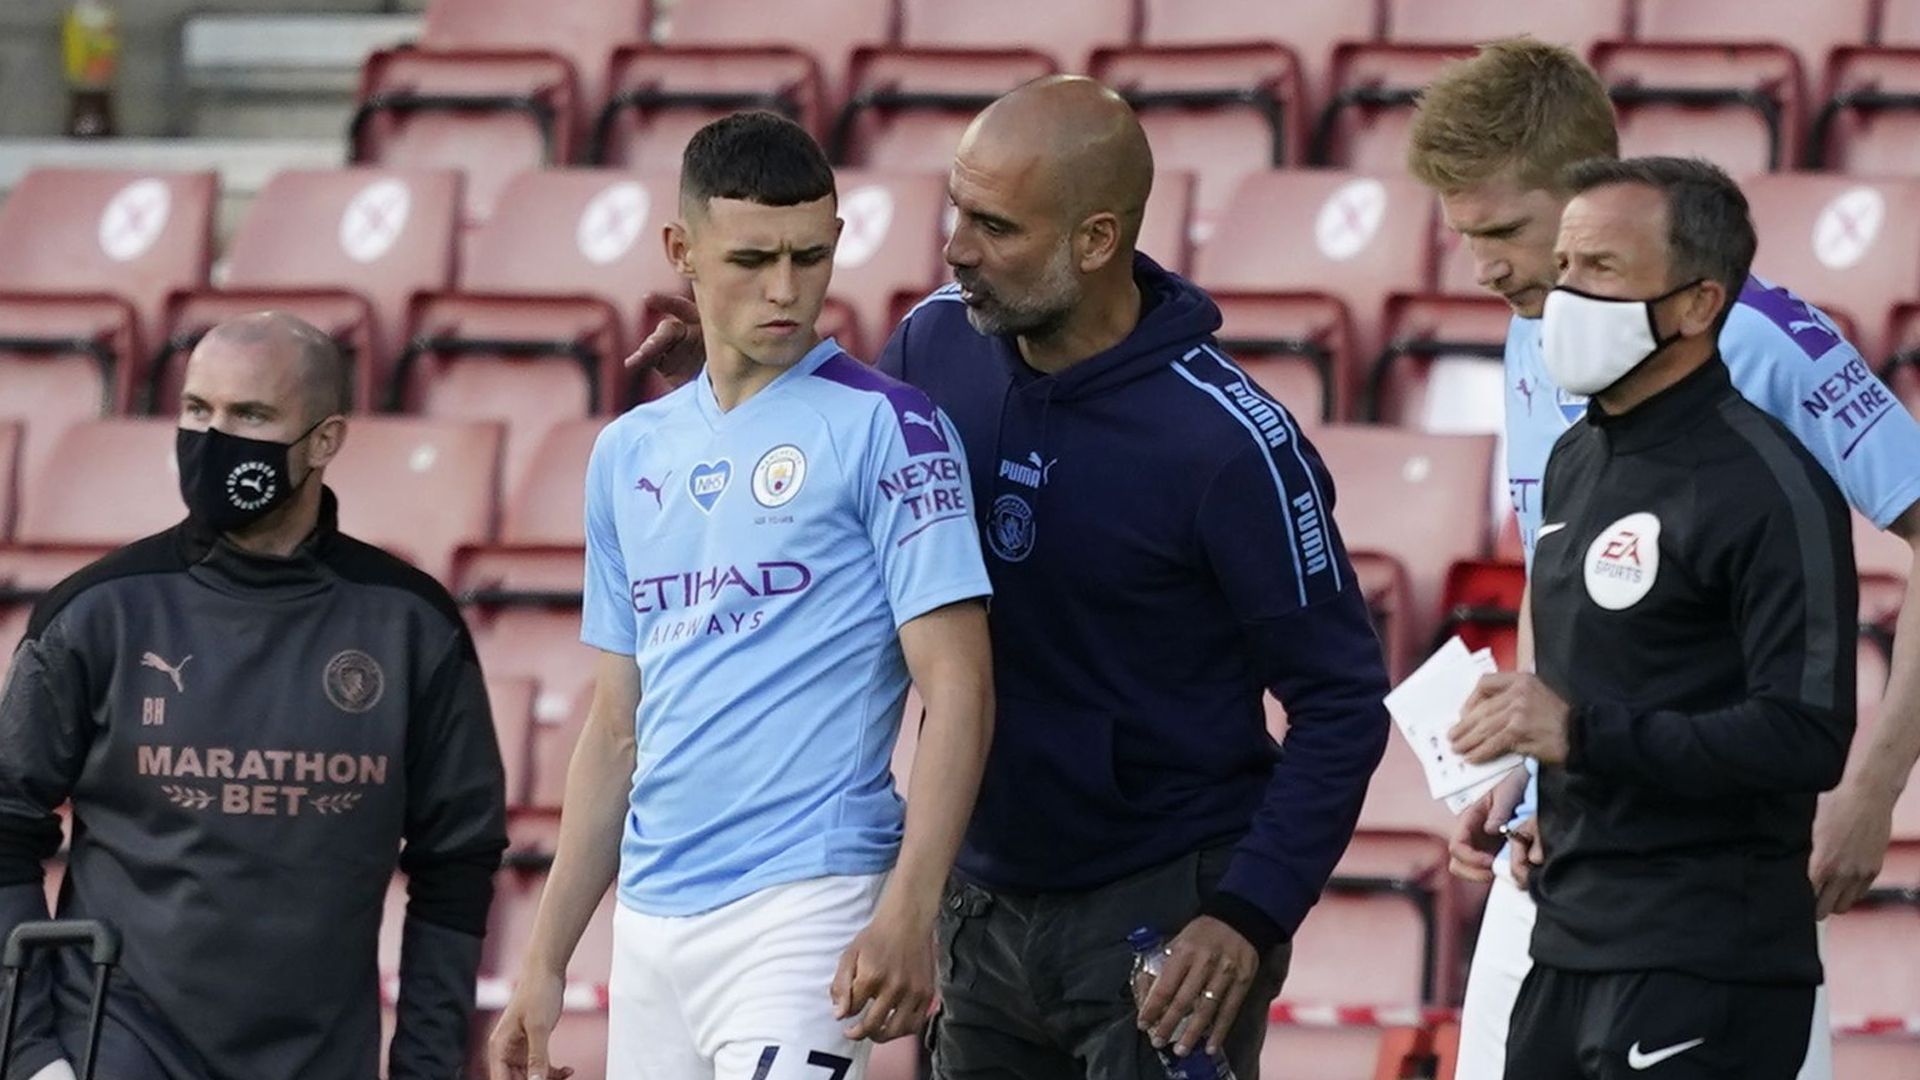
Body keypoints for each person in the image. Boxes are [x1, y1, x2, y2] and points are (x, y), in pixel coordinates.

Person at [633, 77, 1392, 1079]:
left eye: (993, 225)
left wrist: (1248, 916)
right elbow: (852, 474)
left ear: (1095, 239)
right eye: (957, 210)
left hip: (1160, 919)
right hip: (981, 910)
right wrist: (746, 379)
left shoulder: (1229, 446)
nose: (955, 248)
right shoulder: (936, 343)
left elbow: (1341, 702)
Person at [1406, 38, 1920, 1079]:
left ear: (1590, 190)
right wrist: (1528, 764)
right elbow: (1562, 559)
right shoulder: (1532, 327)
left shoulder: (1762, 339)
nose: (1487, 268)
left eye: (1506, 230)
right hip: (1570, 860)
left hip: (1714, 894)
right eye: (1465, 238)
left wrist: (1874, 790)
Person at [485, 113, 995, 1080]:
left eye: (810, 256)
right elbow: (616, 727)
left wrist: (909, 909)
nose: (785, 288)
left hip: (808, 902)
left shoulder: (893, 431)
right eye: (752, 258)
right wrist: (545, 962)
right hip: (652, 922)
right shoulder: (627, 453)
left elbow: (959, 686)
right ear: (681, 251)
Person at [0, 311, 508, 1080]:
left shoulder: (411, 625)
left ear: (326, 440)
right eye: (197, 411)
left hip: (318, 1058)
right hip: (114, 1045)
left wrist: (426, 1065)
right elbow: (5, 826)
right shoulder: (96, 612)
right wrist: (33, 1053)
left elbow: (458, 862)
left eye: (251, 416)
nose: (213, 438)